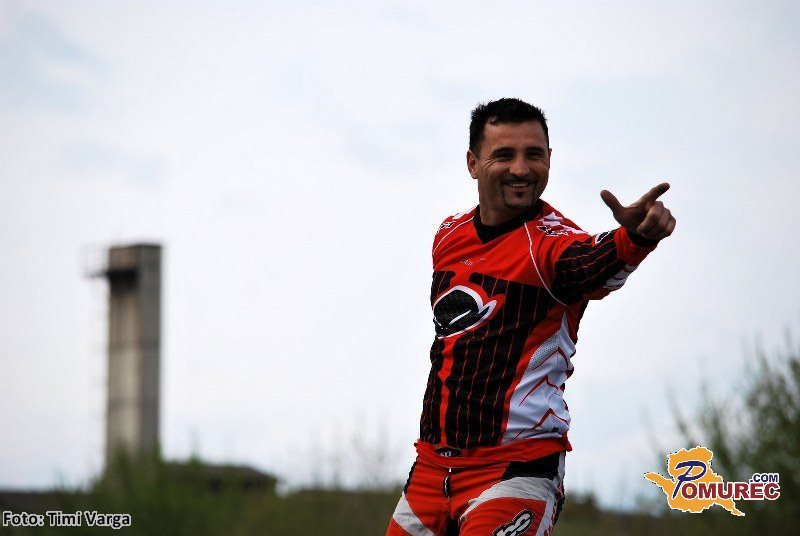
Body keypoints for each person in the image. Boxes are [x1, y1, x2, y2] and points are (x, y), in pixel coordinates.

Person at [386, 98, 675, 536]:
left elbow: (595, 262)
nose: (521, 169)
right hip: (430, 469)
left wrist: (635, 236)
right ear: (473, 163)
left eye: (534, 155)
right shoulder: (448, 236)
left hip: (515, 470)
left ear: (550, 159)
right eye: (504, 155)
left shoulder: (553, 245)